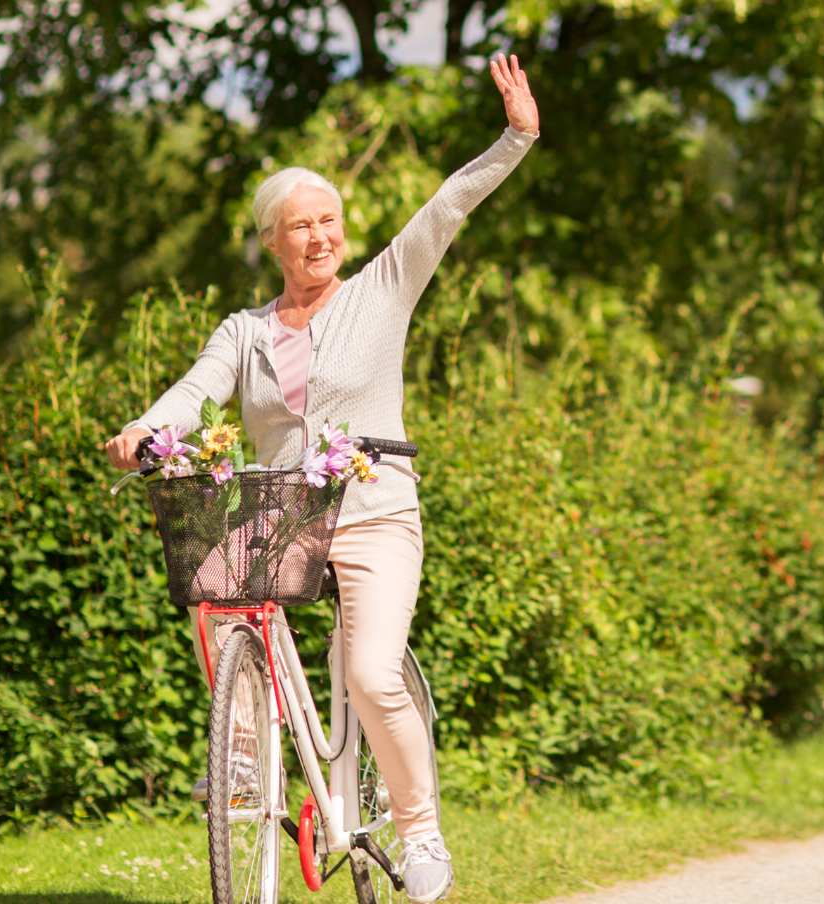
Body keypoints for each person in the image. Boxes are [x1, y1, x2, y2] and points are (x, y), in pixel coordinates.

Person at [104, 54, 541, 903]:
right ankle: (245, 754)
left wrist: (514, 138)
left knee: (372, 674)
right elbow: (194, 393)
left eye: (328, 221)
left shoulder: (382, 289)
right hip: (281, 517)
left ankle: (421, 831)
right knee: (212, 586)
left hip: (376, 511)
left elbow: (447, 206)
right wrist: (146, 431)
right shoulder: (244, 331)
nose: (318, 237)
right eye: (299, 226)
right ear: (272, 240)